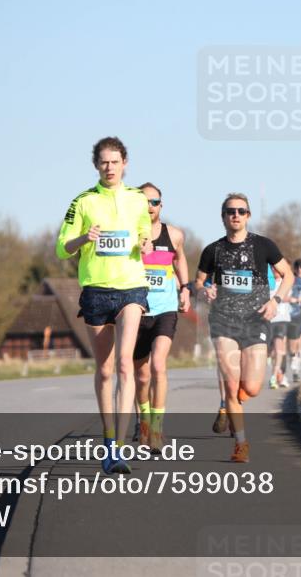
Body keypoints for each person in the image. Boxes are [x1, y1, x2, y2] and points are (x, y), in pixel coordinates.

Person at [57, 137, 152, 474]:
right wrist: (85, 238)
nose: (109, 167)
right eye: (103, 162)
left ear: (125, 163)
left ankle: (121, 449)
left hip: (131, 287)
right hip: (96, 290)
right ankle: (109, 439)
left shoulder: (138, 199)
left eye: (115, 161)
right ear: (96, 165)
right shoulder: (82, 202)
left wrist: (146, 242)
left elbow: (146, 234)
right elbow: (61, 248)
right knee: (106, 369)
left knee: (126, 365)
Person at [195, 193, 293, 463]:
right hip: (223, 322)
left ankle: (229, 403)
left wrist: (275, 300)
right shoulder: (212, 250)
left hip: (255, 321)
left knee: (251, 387)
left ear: (248, 215)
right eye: (230, 211)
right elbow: (199, 281)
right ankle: (241, 444)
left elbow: (288, 275)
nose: (235, 215)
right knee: (229, 379)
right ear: (223, 216)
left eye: (241, 211)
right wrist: (204, 291)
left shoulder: (264, 245)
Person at [132, 182, 190, 453]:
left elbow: (180, 260)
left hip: (165, 309)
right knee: (141, 377)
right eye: (144, 202)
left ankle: (156, 428)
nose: (149, 207)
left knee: (158, 366)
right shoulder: (129, 234)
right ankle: (143, 420)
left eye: (154, 202)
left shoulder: (174, 235)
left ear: (161, 206)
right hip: (136, 310)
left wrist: (186, 288)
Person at [267, 267, 292, 389]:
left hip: (282, 320)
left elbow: (290, 298)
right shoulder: (268, 283)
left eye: (277, 269)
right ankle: (276, 372)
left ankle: (274, 376)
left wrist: (277, 299)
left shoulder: (285, 282)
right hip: (270, 320)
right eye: (273, 270)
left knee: (278, 349)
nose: (275, 271)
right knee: (269, 351)